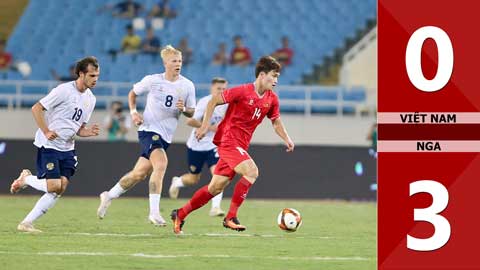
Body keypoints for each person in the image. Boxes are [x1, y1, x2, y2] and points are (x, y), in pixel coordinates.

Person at [171, 56, 294, 234]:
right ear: (261, 75)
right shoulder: (242, 91)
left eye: (277, 77)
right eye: (273, 76)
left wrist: (287, 138)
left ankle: (180, 214)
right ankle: (231, 217)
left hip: (240, 146)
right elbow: (213, 101)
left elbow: (276, 122)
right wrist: (205, 126)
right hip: (228, 141)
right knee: (252, 171)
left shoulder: (272, 99)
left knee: (215, 188)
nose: (275, 81)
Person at [97, 45, 196, 226]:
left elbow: (191, 112)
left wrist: (184, 109)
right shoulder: (153, 81)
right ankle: (154, 212)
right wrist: (134, 112)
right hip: (148, 130)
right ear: (165, 63)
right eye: (174, 61)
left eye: (180, 61)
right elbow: (132, 94)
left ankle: (108, 195)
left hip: (166, 136)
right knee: (161, 163)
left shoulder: (187, 85)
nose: (178, 64)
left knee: (139, 174)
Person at [9, 56, 100, 233]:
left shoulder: (91, 99)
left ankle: (26, 223)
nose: (95, 79)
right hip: (49, 145)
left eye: (97, 75)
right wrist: (46, 131)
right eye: (92, 75)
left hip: (67, 147)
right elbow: (36, 108)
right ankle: (25, 179)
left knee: (61, 187)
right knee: (53, 186)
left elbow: (78, 127)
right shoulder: (63, 91)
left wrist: (86, 132)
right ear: (81, 74)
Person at [169, 77, 228, 217]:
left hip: (214, 146)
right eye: (219, 89)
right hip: (196, 145)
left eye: (224, 89)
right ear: (212, 89)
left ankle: (215, 208)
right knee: (193, 179)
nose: (222, 91)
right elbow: (190, 121)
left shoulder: (227, 103)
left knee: (219, 175)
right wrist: (209, 127)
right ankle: (177, 182)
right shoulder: (204, 102)